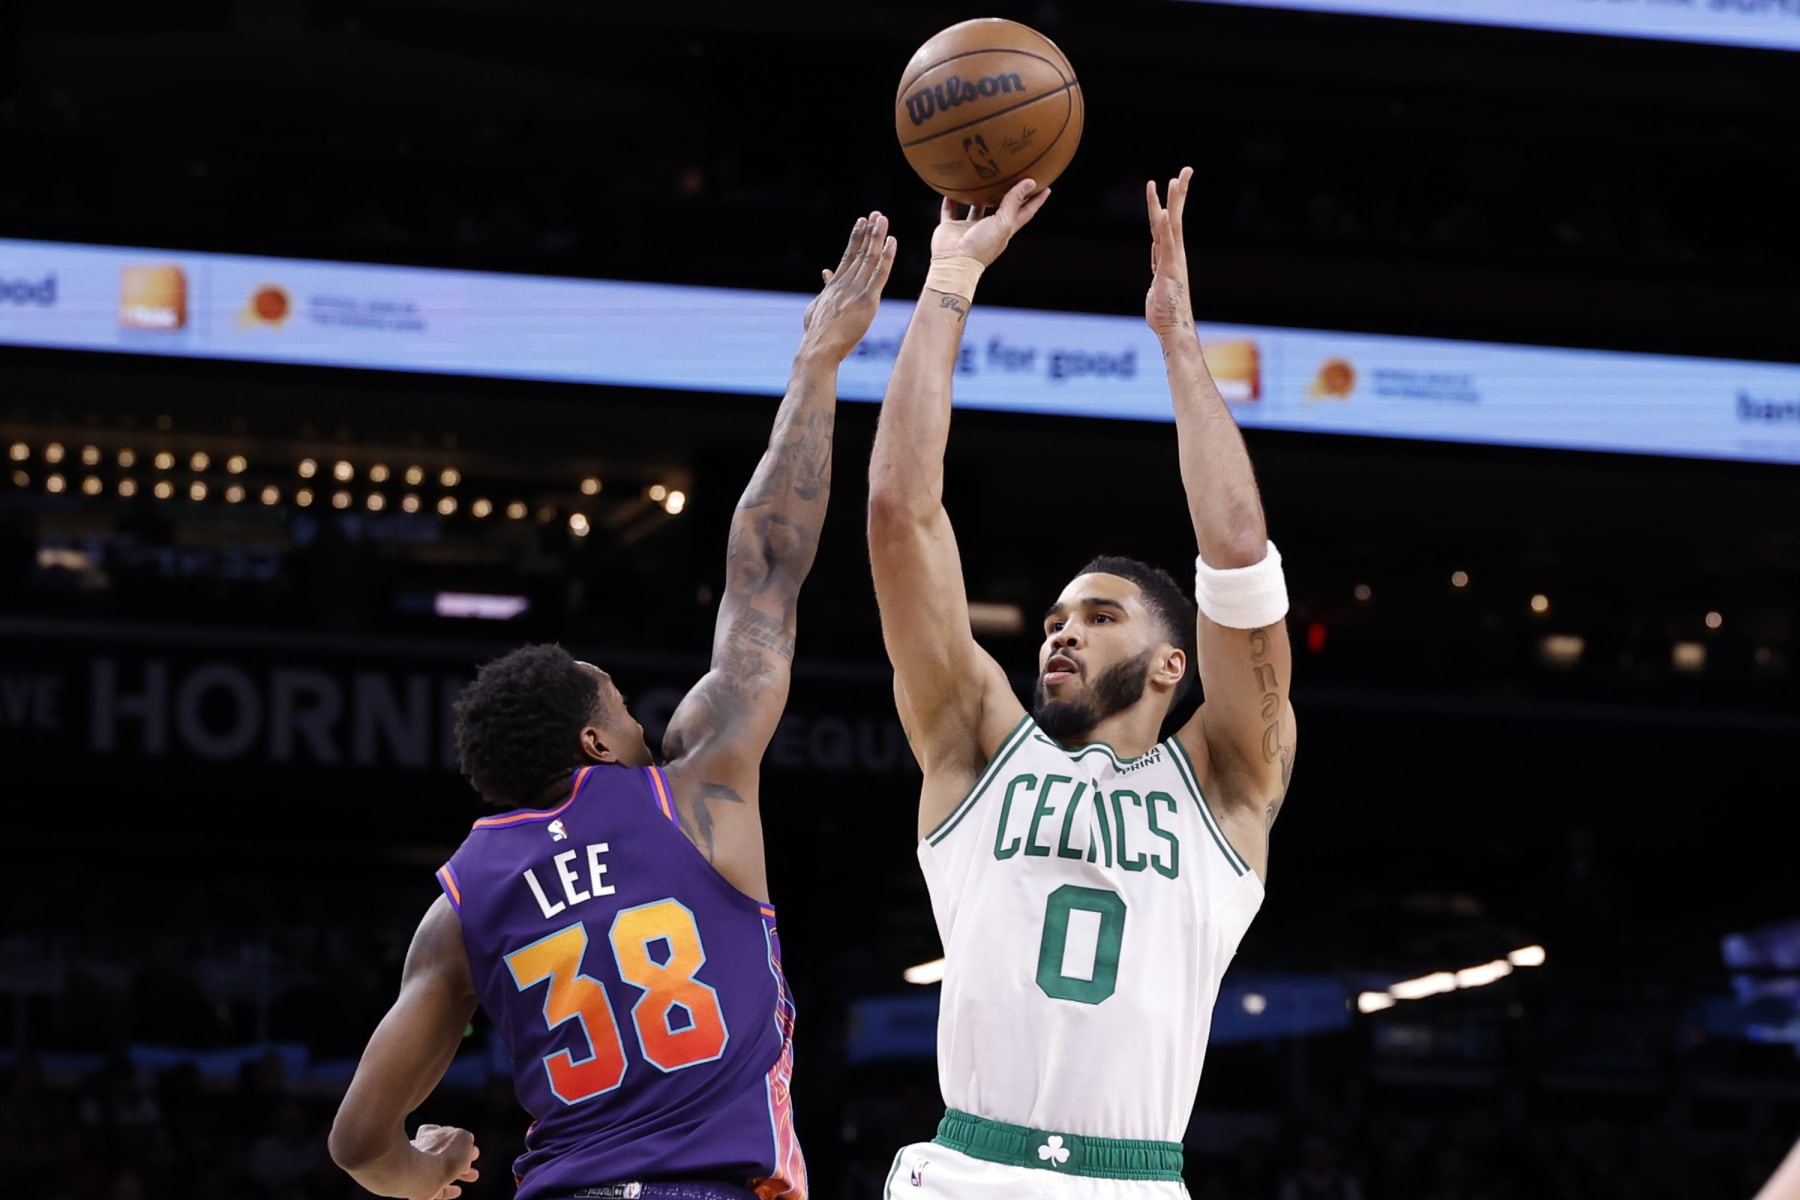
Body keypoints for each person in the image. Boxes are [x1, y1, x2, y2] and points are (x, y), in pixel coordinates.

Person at [327, 209, 898, 1200]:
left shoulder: (459, 909)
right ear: (594, 741)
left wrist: (419, 1174)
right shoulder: (696, 788)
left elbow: (358, 1142)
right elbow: (765, 566)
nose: (651, 725)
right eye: (628, 712)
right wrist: (819, 361)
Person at [866, 168, 1296, 1197]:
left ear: (1170, 664)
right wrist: (949, 282)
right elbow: (898, 510)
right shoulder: (975, 747)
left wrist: (1178, 345)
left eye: (1099, 618)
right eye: (1055, 620)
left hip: (1133, 1179)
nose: (1060, 635)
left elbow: (1237, 546)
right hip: (967, 1165)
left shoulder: (1229, 785)